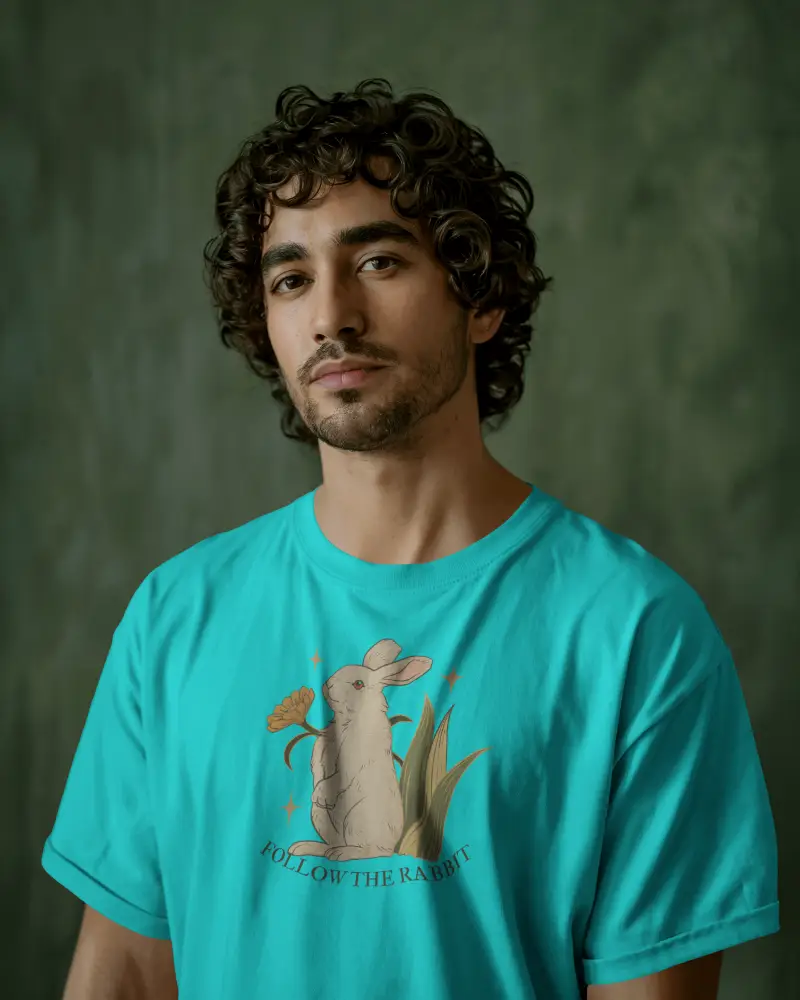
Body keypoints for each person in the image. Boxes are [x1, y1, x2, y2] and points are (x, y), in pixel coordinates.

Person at [42, 78, 779, 1000]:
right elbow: (125, 973)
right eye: (290, 277)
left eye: (380, 261)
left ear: (481, 299)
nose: (331, 314)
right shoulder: (174, 617)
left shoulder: (637, 633)